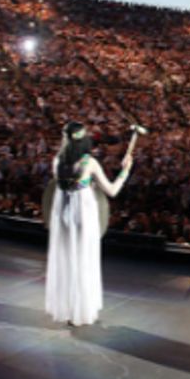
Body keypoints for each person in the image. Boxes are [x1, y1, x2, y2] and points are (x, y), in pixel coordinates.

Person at [45, 121, 133, 326]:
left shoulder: (57, 161)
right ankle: (80, 312)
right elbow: (112, 191)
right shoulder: (89, 163)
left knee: (67, 259)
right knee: (83, 260)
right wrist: (125, 171)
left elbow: (65, 184)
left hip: (64, 214)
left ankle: (67, 309)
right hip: (83, 213)